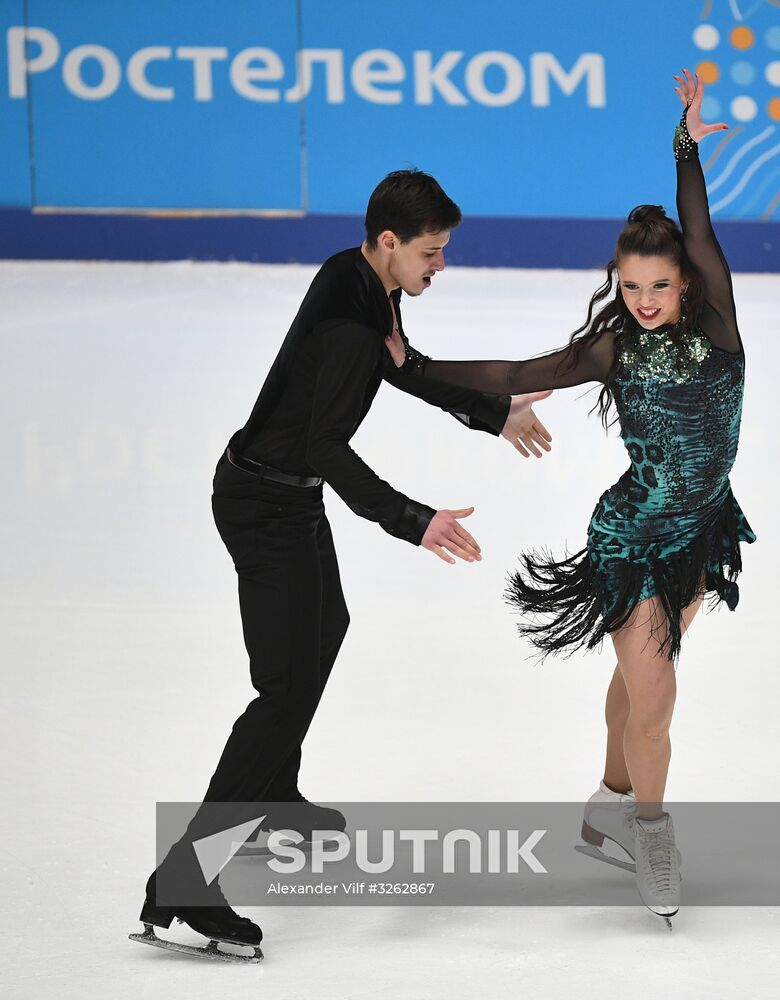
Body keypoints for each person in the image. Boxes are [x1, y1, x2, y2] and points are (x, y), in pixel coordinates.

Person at [133, 169, 553, 956]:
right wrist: (412, 518)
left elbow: (403, 365)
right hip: (264, 504)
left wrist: (492, 413)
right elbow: (331, 440)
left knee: (326, 630)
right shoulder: (353, 324)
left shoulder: (357, 277)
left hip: (283, 497)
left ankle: (276, 795)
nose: (440, 267)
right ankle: (185, 884)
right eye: (431, 253)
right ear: (390, 243)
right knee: (284, 689)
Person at [389, 71, 755, 925]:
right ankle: (650, 829)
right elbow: (518, 374)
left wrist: (686, 143)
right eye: (630, 288)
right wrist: (412, 369)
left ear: (689, 285)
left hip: (700, 530)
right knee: (656, 695)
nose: (644, 301)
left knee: (640, 684)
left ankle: (607, 800)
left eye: (659, 287)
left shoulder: (718, 325)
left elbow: (696, 223)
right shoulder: (612, 348)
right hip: (631, 535)